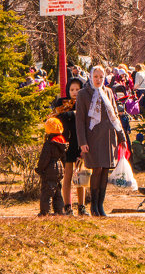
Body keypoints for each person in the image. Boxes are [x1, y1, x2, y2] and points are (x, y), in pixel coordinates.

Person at [75, 66, 126, 217]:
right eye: (96, 76)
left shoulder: (108, 92)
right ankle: (93, 207)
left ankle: (100, 205)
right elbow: (80, 120)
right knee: (96, 170)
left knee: (105, 170)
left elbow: (115, 116)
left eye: (101, 77)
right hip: (92, 138)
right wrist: (82, 141)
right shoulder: (83, 94)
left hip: (108, 137)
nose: (98, 80)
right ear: (91, 77)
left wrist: (121, 137)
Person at [54, 78, 87, 215]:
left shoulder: (85, 103)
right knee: (67, 175)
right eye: (72, 90)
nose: (74, 92)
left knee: (82, 176)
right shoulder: (63, 104)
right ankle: (68, 206)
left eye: (77, 90)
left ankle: (82, 206)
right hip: (68, 144)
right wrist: (70, 114)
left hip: (81, 143)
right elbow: (57, 117)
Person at [36, 117, 67, 216]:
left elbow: (44, 158)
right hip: (60, 168)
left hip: (50, 169)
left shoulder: (49, 143)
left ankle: (45, 212)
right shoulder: (62, 142)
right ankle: (59, 210)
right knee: (57, 191)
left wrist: (40, 169)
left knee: (47, 192)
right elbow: (64, 158)